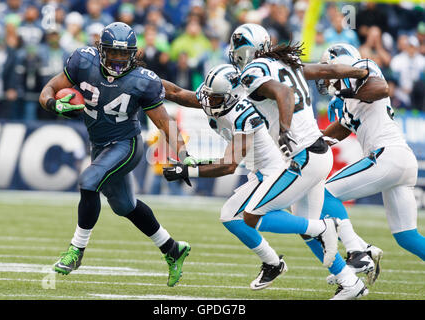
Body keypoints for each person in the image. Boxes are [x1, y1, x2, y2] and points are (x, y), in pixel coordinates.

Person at [38, 22, 195, 287]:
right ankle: (172, 248)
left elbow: (164, 122)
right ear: (102, 50)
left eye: (125, 54)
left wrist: (184, 153)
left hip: (126, 145)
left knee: (89, 182)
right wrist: (54, 105)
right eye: (114, 53)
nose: (119, 59)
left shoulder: (142, 80)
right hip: (99, 145)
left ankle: (76, 250)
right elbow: (48, 89)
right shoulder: (82, 62)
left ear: (133, 53)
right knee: (125, 206)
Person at [162, 63, 343, 291]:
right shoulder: (216, 97)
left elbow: (229, 165)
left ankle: (321, 228)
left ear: (231, 96)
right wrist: (146, 79)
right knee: (230, 216)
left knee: (252, 216)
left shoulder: (244, 114)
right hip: (261, 172)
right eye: (208, 96)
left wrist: (186, 170)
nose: (208, 102)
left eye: (215, 98)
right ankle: (274, 263)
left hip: (277, 170)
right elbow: (177, 94)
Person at [228, 24, 370, 300]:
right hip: (318, 154)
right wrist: (361, 72)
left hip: (303, 156)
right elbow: (329, 71)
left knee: (252, 216)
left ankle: (324, 228)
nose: (236, 53)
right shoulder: (284, 64)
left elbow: (284, 93)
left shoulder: (253, 70)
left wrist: (283, 129)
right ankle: (350, 283)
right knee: (305, 226)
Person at [318, 44, 425, 269]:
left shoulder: (362, 69)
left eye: (329, 70)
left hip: (387, 154)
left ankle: (359, 251)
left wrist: (343, 91)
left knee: (323, 194)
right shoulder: (347, 101)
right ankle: (361, 250)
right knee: (407, 236)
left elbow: (381, 89)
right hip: (399, 160)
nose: (326, 77)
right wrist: (312, 143)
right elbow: (341, 129)